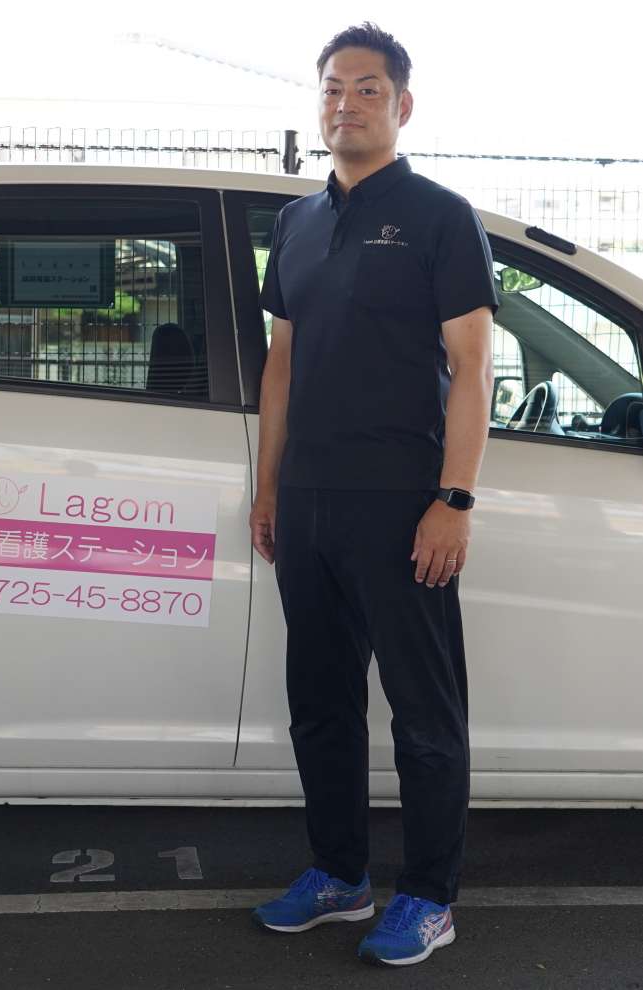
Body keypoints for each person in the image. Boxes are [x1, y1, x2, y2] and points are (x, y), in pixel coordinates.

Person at [248, 24, 497, 967]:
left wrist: (453, 498)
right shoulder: (296, 223)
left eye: (365, 88)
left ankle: (428, 896)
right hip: (307, 500)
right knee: (318, 702)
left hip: (401, 501)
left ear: (401, 105)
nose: (344, 103)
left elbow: (472, 368)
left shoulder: (440, 216)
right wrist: (269, 490)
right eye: (331, 88)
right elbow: (281, 365)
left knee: (424, 712)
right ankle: (338, 875)